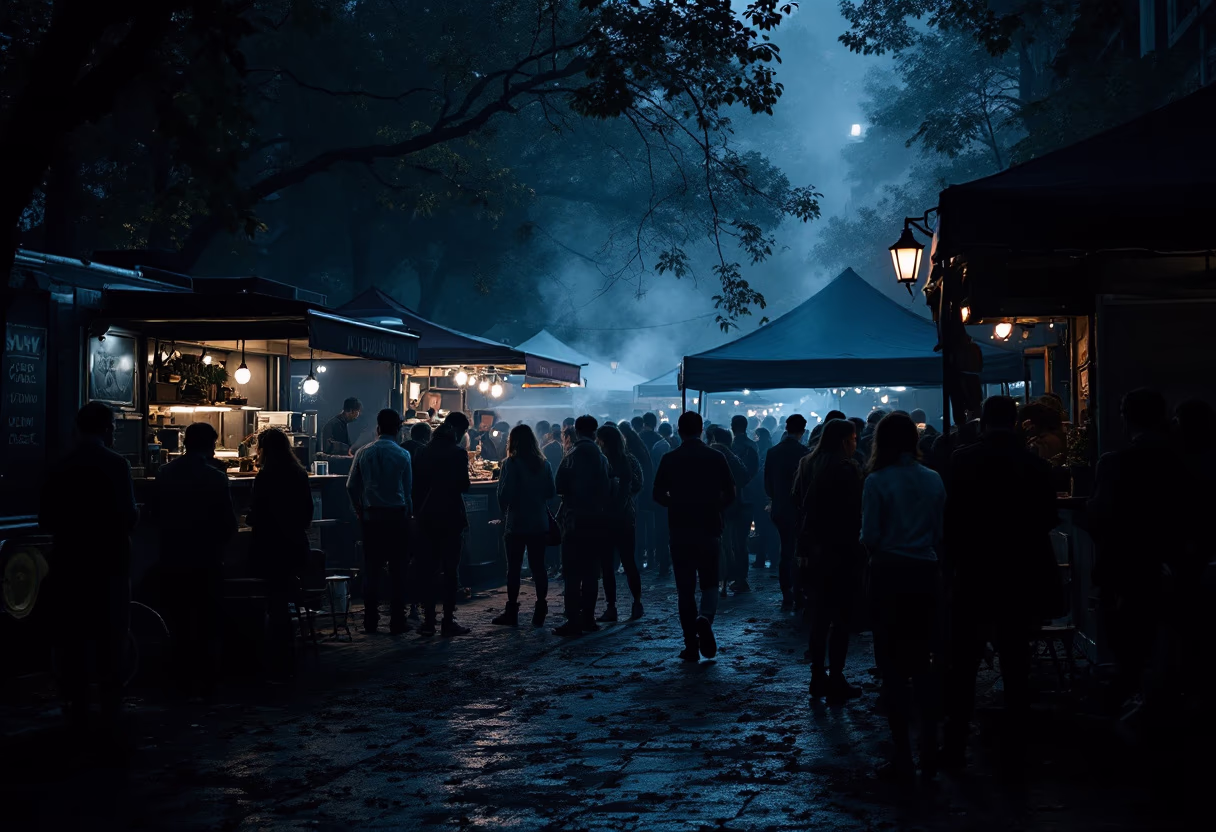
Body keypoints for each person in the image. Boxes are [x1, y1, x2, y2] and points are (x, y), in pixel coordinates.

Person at [942, 396, 1057, 774]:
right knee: (1016, 661)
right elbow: (1048, 519)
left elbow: (952, 520)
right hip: (1021, 574)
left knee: (963, 665)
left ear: (983, 421)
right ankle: (1016, 745)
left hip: (974, 572)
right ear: (1016, 422)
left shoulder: (962, 460)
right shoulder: (1036, 465)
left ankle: (955, 744)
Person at [39, 402, 139, 737]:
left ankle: (77, 706)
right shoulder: (116, 464)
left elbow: (46, 518)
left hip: (69, 562)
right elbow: (128, 516)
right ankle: (111, 708)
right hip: (110, 563)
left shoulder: (60, 465)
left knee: (73, 637)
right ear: (107, 428)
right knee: (111, 637)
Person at [1089, 389, 1191, 705]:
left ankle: (1134, 696)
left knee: (1129, 638)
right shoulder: (1183, 461)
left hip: (1126, 564)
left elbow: (1100, 514)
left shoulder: (1115, 463)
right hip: (1176, 561)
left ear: (1126, 419)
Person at [861, 412, 946, 785]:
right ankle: (930, 748)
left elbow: (870, 535)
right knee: (924, 662)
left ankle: (902, 755)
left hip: (889, 573)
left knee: (892, 666)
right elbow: (940, 532)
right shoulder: (934, 479)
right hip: (926, 574)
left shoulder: (876, 481)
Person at [154, 422, 238, 699]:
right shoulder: (215, 478)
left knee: (177, 618)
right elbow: (228, 524)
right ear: (211, 446)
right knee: (207, 620)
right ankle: (207, 679)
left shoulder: (165, 474)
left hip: (173, 556)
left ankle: (179, 677)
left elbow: (155, 517)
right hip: (206, 558)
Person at [653, 412, 736, 661]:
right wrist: (712, 506)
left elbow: (657, 494)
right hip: (709, 527)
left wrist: (677, 503)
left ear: (680, 431)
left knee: (685, 589)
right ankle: (705, 618)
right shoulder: (716, 456)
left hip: (680, 529)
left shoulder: (670, 458)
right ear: (701, 430)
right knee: (709, 581)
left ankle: (691, 645)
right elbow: (731, 492)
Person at [792, 418, 864, 704]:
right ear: (845, 440)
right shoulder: (846, 469)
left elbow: (796, 499)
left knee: (820, 616)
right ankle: (836, 676)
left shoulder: (807, 464)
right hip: (841, 549)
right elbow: (854, 510)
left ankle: (817, 675)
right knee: (842, 618)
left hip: (812, 550)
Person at [247, 427, 314, 682]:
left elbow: (257, 513)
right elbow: (307, 513)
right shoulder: (298, 473)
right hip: (295, 546)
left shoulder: (265, 476)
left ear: (264, 449)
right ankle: (287, 650)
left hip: (270, 547)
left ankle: (276, 653)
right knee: (283, 598)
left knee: (274, 600)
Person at [348, 409, 414, 634]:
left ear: (377, 428)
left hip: (371, 517)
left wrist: (359, 508)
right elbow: (408, 491)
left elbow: (350, 486)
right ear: (398, 429)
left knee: (372, 570)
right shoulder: (403, 455)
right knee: (398, 571)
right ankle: (397, 620)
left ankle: (371, 620)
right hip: (396, 517)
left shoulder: (363, 453)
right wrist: (409, 516)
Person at [411, 412, 473, 636]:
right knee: (450, 570)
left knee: (427, 569)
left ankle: (428, 621)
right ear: (458, 430)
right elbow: (464, 485)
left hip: (425, 517)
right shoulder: (458, 453)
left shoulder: (422, 451)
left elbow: (415, 487)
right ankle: (448, 621)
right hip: (450, 517)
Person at [553, 415, 612, 636]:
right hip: (596, 520)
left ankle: (573, 620)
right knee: (590, 572)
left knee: (572, 572)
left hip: (574, 520)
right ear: (595, 432)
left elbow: (559, 485)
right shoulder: (601, 457)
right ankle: (588, 617)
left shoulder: (571, 455)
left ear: (576, 431)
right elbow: (607, 489)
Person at [494, 425, 557, 627]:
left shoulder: (510, 463)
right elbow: (551, 492)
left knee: (513, 568)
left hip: (517, 522)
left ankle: (512, 610)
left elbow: (505, 494)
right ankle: (541, 608)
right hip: (539, 521)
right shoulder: (544, 464)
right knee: (539, 566)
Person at [595, 424, 645, 621]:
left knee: (607, 565)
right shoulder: (630, 460)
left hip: (605, 517)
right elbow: (639, 483)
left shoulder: (602, 462)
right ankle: (637, 603)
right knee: (629, 561)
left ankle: (611, 607)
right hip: (625, 517)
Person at [765, 414, 812, 607]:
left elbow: (767, 484)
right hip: (799, 510)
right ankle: (798, 590)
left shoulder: (773, 452)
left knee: (785, 550)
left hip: (779, 508)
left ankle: (786, 591)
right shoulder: (804, 453)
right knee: (799, 551)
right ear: (802, 431)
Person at [729, 415, 761, 592]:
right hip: (749, 498)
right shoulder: (753, 446)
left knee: (735, 541)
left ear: (733, 427)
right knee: (741, 541)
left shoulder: (732, 448)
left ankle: (738, 577)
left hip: (734, 499)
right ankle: (741, 577)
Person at [620, 422, 655, 569]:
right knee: (644, 528)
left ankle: (636, 560)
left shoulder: (630, 453)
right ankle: (645, 559)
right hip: (645, 493)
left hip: (637, 496)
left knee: (636, 529)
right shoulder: (639, 446)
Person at [650, 422, 675, 577]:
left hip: (665, 496)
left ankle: (664, 562)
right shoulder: (673, 444)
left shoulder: (660, 447)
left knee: (662, 532)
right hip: (674, 496)